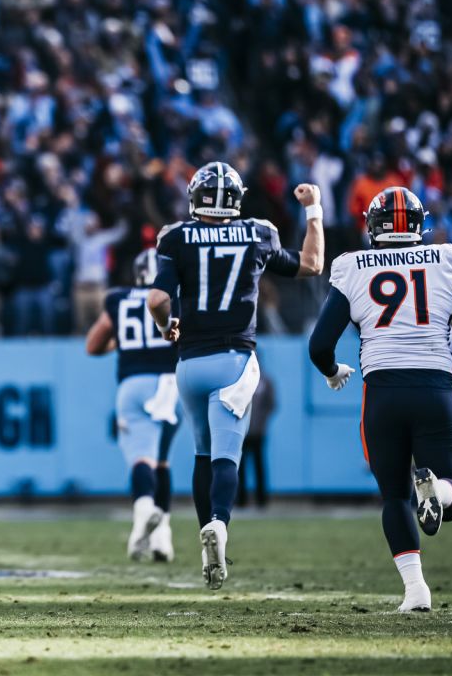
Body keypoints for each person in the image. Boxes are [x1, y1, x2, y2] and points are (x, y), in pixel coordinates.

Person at [309, 186, 452, 613]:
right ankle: (439, 494)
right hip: (435, 386)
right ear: (419, 225)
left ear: (373, 227)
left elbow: (319, 345)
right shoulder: (446, 259)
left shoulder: (353, 266)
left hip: (382, 392)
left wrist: (333, 372)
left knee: (394, 495)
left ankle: (416, 591)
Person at [148, 162, 324, 589]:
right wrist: (314, 210)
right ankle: (220, 526)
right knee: (229, 454)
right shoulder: (258, 232)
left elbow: (156, 299)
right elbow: (312, 265)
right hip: (234, 360)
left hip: (189, 365)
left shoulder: (176, 236)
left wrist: (165, 324)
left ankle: (205, 530)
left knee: (202, 455)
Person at [85, 248, 179, 561]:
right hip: (172, 386)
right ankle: (162, 537)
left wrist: (122, 341)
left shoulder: (118, 298)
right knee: (161, 462)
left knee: (142, 460)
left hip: (134, 383)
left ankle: (143, 516)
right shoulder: (177, 296)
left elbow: (93, 345)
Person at [237, 371, 274, 508]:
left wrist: (262, 422)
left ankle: (261, 499)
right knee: (240, 467)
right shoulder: (240, 379)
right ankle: (240, 499)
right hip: (241, 431)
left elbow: (271, 404)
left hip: (258, 431)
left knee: (259, 465)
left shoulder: (265, 381)